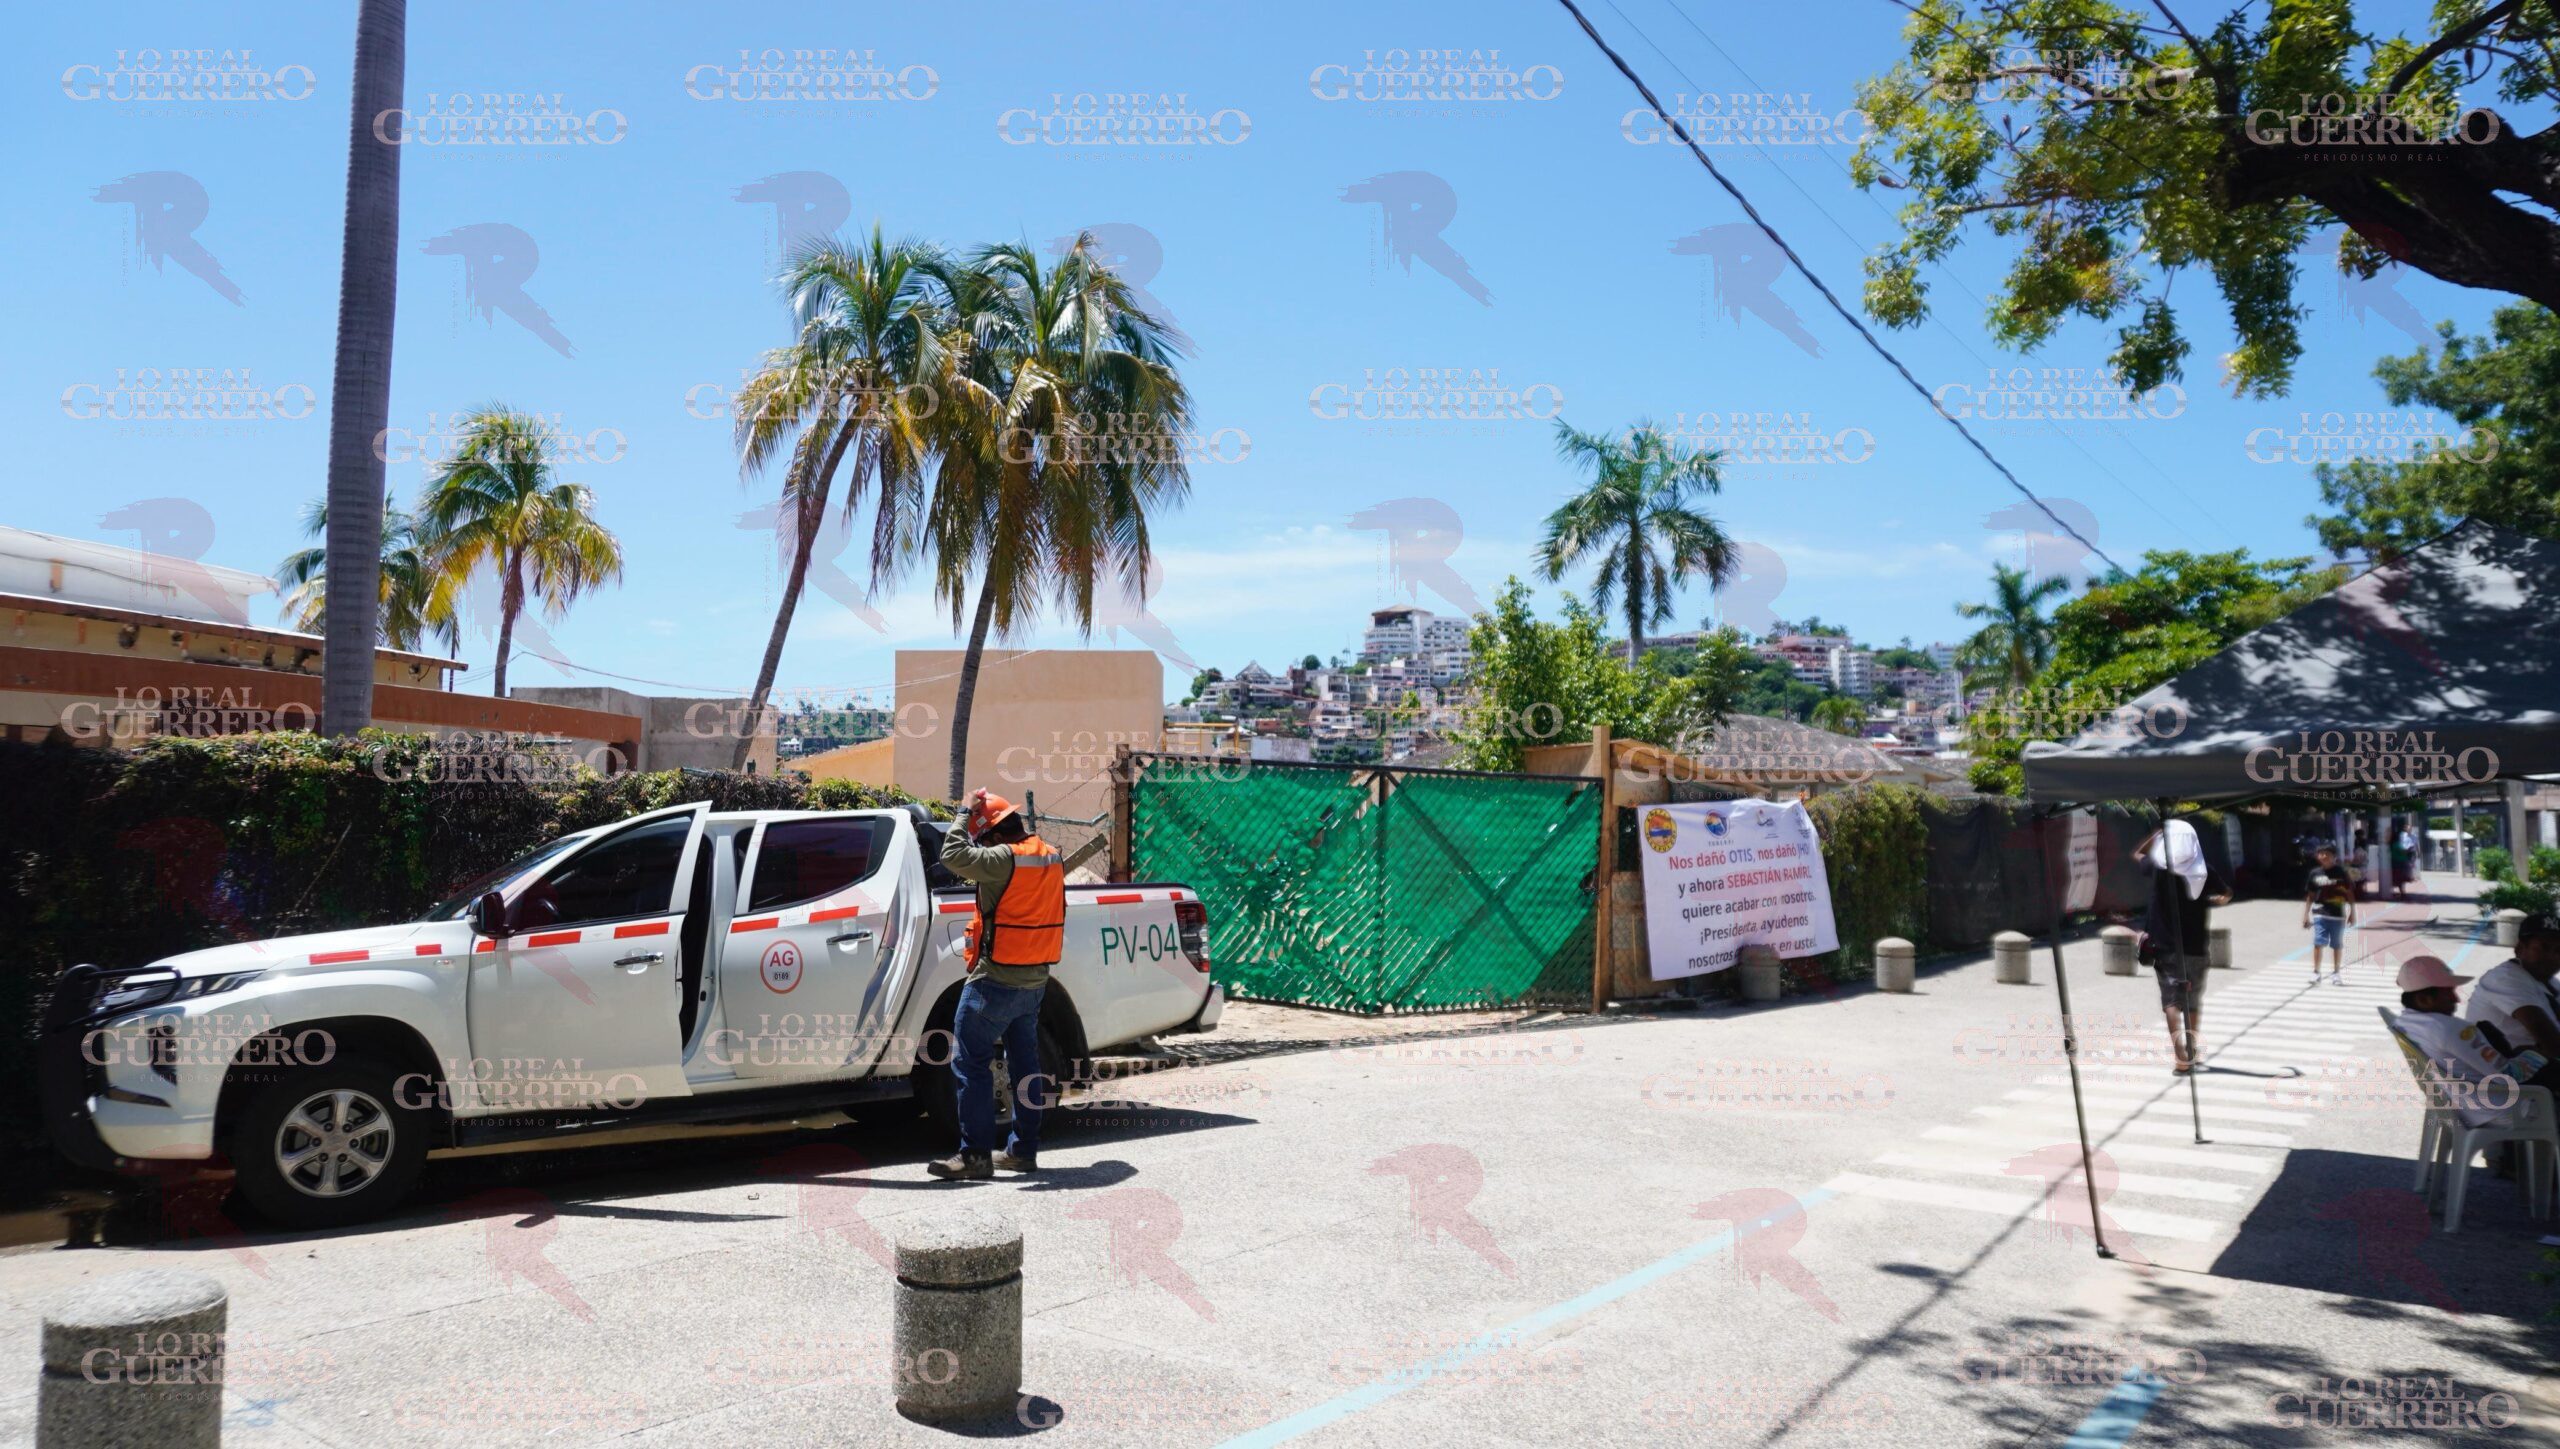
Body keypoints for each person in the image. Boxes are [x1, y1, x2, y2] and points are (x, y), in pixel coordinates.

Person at [926, 788, 1066, 1182]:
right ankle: (1022, 1151)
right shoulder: (1049, 854)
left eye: (982, 838)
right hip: (1036, 979)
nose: (981, 847)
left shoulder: (1003, 859)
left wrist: (962, 811)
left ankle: (974, 1156)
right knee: (1025, 1065)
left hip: (996, 980)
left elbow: (951, 856)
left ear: (993, 835)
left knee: (969, 1062)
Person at [2392, 956, 2556, 1130]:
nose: (2456, 999)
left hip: (2462, 1106)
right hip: (2497, 1110)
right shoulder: (2452, 1029)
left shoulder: (2404, 1023)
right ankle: (2533, 1156)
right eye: (2448, 993)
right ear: (2424, 999)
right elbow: (2507, 1076)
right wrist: (2538, 1054)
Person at [2136, 817, 2231, 1075]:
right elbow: (2227, 893)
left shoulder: (2157, 866)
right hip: (2196, 946)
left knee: (2171, 1001)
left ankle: (2180, 1057)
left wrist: (2158, 833)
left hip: (2163, 946)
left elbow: (2137, 854)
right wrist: (2213, 900)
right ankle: (2191, 1048)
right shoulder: (2204, 870)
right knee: (2193, 1001)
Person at [2464, 914, 2560, 1059]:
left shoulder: (2547, 982)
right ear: (2520, 949)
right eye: (2543, 948)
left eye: (2558, 950)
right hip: (2510, 1076)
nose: (2553, 957)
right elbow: (2552, 1044)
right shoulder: (2505, 979)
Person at [2300, 844, 2357, 985]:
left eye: (2327, 854)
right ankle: (2316, 972)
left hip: (2338, 914)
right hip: (2320, 913)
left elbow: (2349, 893)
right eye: (2321, 853)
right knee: (2318, 942)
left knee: (2336, 944)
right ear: (2317, 856)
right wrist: (2306, 915)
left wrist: (2352, 913)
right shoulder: (2314, 873)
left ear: (2334, 857)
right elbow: (2310, 895)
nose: (2324, 856)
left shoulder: (2341, 873)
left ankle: (2336, 973)